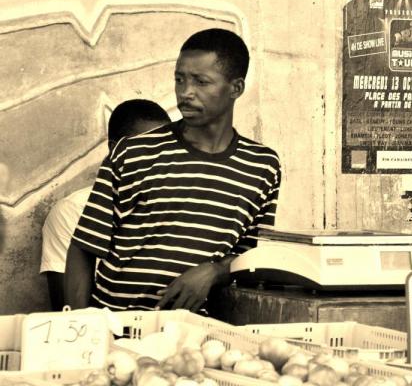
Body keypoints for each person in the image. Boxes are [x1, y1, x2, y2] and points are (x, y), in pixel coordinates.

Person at [64, 28, 281, 312]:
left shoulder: (262, 166)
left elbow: (252, 257)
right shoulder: (133, 152)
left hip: (197, 340)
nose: (185, 93)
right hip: (116, 330)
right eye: (180, 79)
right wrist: (82, 328)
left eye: (201, 82)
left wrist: (215, 272)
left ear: (235, 88)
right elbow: (83, 248)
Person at [41, 99, 170, 311]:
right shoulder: (72, 211)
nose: (159, 159)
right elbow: (66, 312)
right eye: (146, 149)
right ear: (115, 151)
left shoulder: (178, 205)